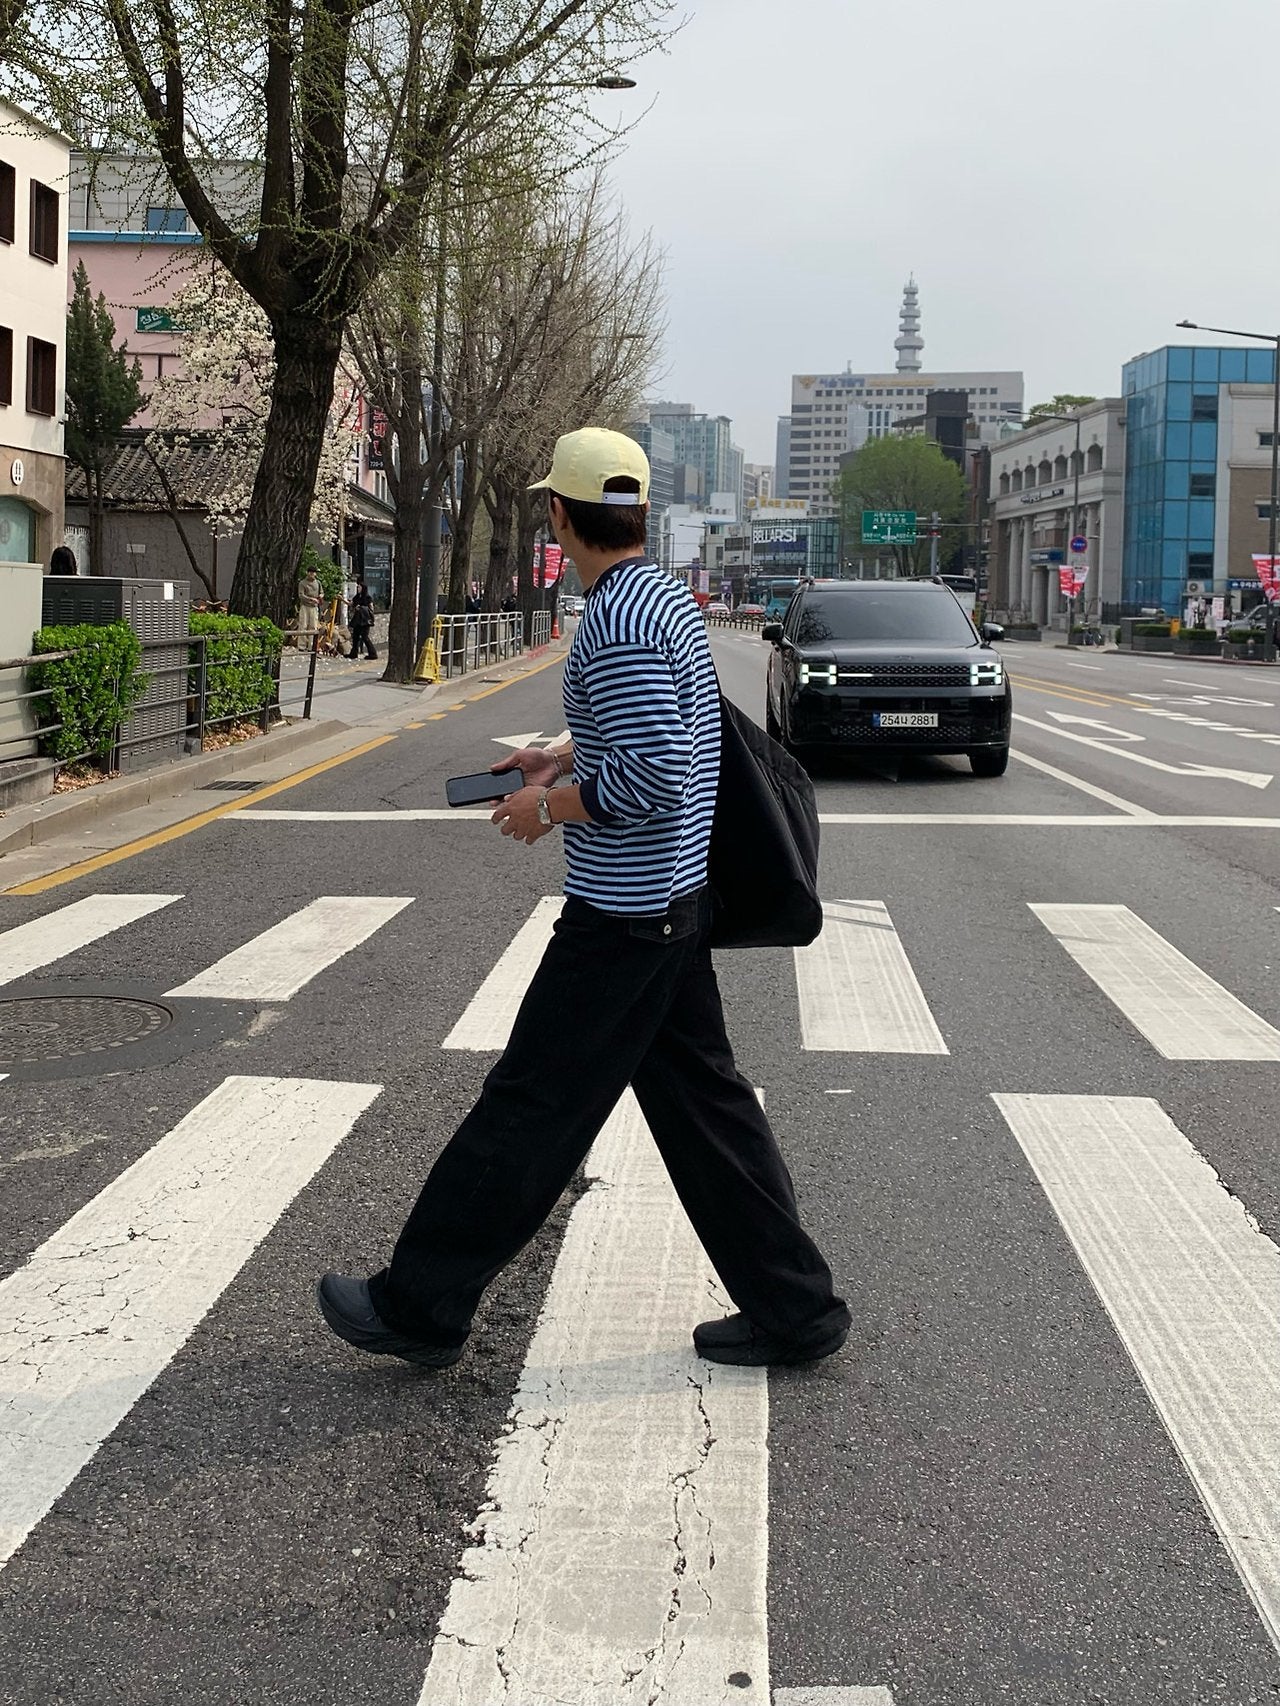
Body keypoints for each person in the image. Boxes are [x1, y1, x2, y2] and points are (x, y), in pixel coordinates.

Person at [317, 426, 849, 1371]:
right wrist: (557, 753)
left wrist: (546, 806)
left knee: (529, 1108)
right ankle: (797, 1308)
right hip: (668, 908)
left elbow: (660, 773)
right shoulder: (664, 602)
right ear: (637, 513)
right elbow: (667, 732)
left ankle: (420, 1305)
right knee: (708, 1115)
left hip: (626, 918)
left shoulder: (617, 620)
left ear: (560, 515)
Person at [348, 581, 377, 660]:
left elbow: (371, 609)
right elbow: (351, 604)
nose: (358, 588)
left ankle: (372, 653)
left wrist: (361, 608)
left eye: (359, 587)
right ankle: (353, 653)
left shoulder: (367, 598)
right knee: (355, 637)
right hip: (358, 619)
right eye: (357, 587)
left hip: (365, 620)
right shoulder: (357, 597)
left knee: (365, 637)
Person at [296, 564, 323, 648]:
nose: (312, 574)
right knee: (303, 625)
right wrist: (311, 599)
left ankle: (311, 646)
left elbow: (321, 592)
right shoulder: (302, 583)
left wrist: (321, 595)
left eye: (314, 573)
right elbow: (301, 595)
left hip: (314, 607)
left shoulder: (318, 583)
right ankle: (301, 645)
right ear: (307, 573)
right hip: (305, 606)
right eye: (310, 572)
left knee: (313, 626)